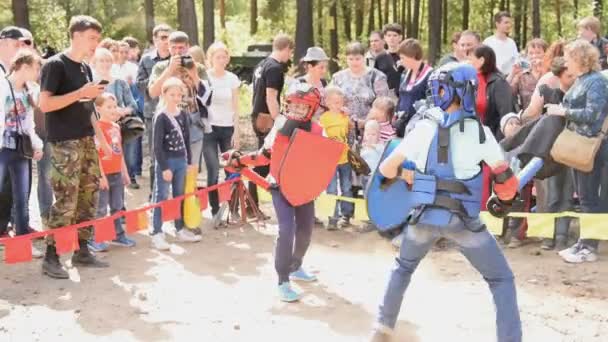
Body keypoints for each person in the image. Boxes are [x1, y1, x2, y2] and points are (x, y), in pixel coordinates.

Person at [369, 63, 522, 342]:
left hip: (423, 218)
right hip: (461, 221)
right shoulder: (479, 133)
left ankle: (382, 327)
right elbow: (508, 186)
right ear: (467, 91)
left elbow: (386, 171)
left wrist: (407, 174)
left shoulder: (423, 127)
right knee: (501, 280)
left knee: (403, 268)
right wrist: (504, 199)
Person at [223, 83, 328, 302]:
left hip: (304, 188)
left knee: (306, 230)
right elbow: (264, 156)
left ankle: (296, 266)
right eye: (294, 105)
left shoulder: (319, 131)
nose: (297, 110)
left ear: (312, 109)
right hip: (280, 186)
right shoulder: (281, 126)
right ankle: (283, 280)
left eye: (302, 107)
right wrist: (240, 160)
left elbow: (322, 161)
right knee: (286, 230)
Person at [39, 15, 110, 279]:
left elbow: (87, 107)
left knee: (88, 198)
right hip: (63, 143)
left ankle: (82, 250)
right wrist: (80, 93)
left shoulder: (85, 68)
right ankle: (51, 256)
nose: (95, 44)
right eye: (92, 38)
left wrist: (99, 136)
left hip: (86, 140)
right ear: (76, 35)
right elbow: (44, 104)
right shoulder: (55, 65)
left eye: (97, 39)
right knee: (65, 201)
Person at [545, 40, 608, 263]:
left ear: (581, 59)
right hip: (578, 142)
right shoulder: (582, 80)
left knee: (590, 199)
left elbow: (593, 114)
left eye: (569, 57)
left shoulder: (596, 82)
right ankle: (583, 243)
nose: (565, 62)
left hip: (591, 146)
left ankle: (589, 247)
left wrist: (564, 111)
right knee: (584, 197)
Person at [0, 50, 44, 257]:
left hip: (20, 149)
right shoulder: (2, 86)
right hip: (2, 148)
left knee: (22, 196)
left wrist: (37, 145)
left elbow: (29, 124)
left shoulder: (29, 91)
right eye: (36, 68)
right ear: (24, 67)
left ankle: (23, 242)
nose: (37, 73)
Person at [151, 77, 202, 250]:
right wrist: (164, 167)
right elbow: (157, 146)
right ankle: (157, 232)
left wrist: (188, 162)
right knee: (161, 196)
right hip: (167, 161)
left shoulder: (183, 114)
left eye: (178, 95)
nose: (175, 98)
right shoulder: (161, 116)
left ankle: (179, 228)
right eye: (172, 94)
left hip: (181, 160)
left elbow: (187, 139)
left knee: (179, 195)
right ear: (164, 94)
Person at [148, 31, 208, 179]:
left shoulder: (198, 67)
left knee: (191, 170)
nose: (177, 51)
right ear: (168, 47)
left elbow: (206, 96)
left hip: (192, 121)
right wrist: (169, 71)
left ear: (188, 47)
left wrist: (193, 74)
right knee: (168, 169)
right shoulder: (160, 67)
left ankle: (187, 201)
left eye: (181, 48)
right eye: (174, 48)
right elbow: (153, 93)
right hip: (168, 121)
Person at [248, 33, 294, 212]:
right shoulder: (275, 68)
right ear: (287, 48)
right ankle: (250, 201)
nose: (289, 57)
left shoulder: (262, 64)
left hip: (257, 115)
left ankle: (251, 202)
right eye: (290, 52)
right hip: (267, 118)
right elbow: (271, 96)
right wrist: (278, 121)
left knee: (264, 159)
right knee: (265, 161)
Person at [91, 47, 140, 191]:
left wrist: (123, 111)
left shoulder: (120, 82)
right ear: (95, 62)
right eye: (101, 60)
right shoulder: (91, 84)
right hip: (99, 128)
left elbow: (133, 105)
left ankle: (125, 184)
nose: (105, 63)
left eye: (108, 60)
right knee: (102, 158)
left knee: (125, 158)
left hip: (119, 127)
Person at [92, 93, 136, 249]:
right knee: (101, 208)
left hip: (117, 173)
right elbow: (96, 154)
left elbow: (119, 152)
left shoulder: (116, 127)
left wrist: (124, 172)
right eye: (108, 107)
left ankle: (118, 234)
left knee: (117, 205)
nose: (112, 110)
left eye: (114, 106)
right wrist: (101, 176)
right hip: (104, 174)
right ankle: (96, 238)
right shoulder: (97, 128)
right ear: (98, 108)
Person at [203, 42, 241, 220]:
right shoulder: (205, 77)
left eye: (224, 56)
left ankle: (233, 208)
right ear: (210, 59)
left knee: (232, 169)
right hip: (209, 129)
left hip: (228, 128)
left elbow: (236, 106)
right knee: (212, 170)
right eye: (217, 57)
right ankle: (214, 209)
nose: (221, 60)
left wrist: (237, 130)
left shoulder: (232, 78)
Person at [137, 24, 172, 191]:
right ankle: (155, 192)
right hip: (153, 112)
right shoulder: (146, 60)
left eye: (169, 38)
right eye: (163, 38)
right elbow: (140, 85)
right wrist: (158, 79)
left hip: (174, 112)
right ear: (155, 40)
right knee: (155, 154)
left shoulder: (178, 59)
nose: (167, 41)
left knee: (175, 154)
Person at [331, 42, 389, 139]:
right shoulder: (338, 77)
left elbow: (383, 104)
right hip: (343, 127)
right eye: (351, 59)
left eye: (357, 59)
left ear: (364, 57)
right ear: (346, 59)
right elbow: (330, 101)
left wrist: (366, 122)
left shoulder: (376, 76)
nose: (354, 62)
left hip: (371, 130)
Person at [319, 86, 353, 230]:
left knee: (346, 187)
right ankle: (332, 218)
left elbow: (350, 132)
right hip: (330, 159)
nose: (337, 105)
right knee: (331, 189)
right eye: (333, 102)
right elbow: (320, 137)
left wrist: (349, 116)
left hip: (345, 158)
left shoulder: (345, 117)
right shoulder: (324, 118)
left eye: (339, 102)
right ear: (327, 102)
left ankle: (346, 215)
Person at [470, 45, 516, 137]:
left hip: (492, 137)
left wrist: (498, 142)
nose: (469, 62)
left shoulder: (499, 83)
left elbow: (506, 115)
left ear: (481, 61)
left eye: (471, 59)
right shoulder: (471, 80)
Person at [394, 39, 433, 136]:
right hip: (401, 123)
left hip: (418, 126)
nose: (400, 61)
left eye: (402, 58)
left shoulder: (430, 75)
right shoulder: (405, 73)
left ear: (412, 56)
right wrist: (396, 114)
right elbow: (401, 97)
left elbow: (431, 102)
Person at [507, 38, 548, 112]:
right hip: (528, 118)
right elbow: (506, 92)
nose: (534, 56)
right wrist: (512, 74)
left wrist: (543, 70)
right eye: (531, 53)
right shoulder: (522, 76)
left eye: (538, 53)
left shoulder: (550, 73)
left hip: (548, 118)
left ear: (545, 54)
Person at [297, 46, 330, 120]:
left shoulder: (324, 83)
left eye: (326, 67)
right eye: (321, 67)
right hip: (305, 127)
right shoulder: (299, 83)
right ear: (310, 67)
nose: (324, 71)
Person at [483, 11, 519, 75]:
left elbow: (516, 61)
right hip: (494, 78)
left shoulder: (512, 43)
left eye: (510, 23)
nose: (509, 25)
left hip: (511, 79)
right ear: (497, 24)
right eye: (506, 23)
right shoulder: (488, 42)